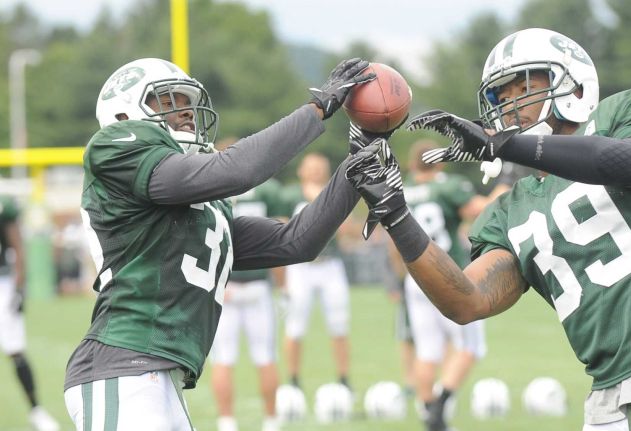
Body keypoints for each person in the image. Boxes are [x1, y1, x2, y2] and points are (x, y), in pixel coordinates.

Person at [346, 28, 631, 430]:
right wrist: (397, 215)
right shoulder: (506, 211)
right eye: (500, 95)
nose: (511, 104)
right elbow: (466, 301)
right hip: (609, 397)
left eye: (524, 87)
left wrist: (508, 144)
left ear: (576, 85)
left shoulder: (623, 113)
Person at [63, 56, 376, 430]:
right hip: (121, 369)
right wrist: (317, 109)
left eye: (186, 100)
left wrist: (360, 162)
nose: (186, 112)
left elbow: (297, 241)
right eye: (168, 101)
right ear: (123, 115)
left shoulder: (198, 205)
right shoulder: (114, 146)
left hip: (162, 379)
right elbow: (238, 170)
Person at [392, 140, 488, 431]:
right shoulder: (448, 186)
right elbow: (476, 209)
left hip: (416, 278)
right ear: (440, 162)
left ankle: (429, 413)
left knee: (427, 351)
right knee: (470, 347)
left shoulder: (402, 191)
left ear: (412, 164)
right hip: (450, 275)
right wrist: (504, 188)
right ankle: (441, 403)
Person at [210, 178, 284, 431]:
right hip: (256, 285)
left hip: (225, 287)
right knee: (265, 356)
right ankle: (271, 421)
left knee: (223, 358)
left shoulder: (212, 189)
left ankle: (226, 422)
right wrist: (283, 286)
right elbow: (278, 237)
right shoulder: (264, 190)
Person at [281, 152, 353, 392]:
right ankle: (293, 380)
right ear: (300, 170)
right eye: (310, 167)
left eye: (319, 167)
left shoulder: (336, 192)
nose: (314, 171)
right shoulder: (289, 195)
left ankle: (344, 379)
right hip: (300, 268)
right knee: (295, 325)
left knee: (339, 324)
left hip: (330, 264)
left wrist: (327, 202)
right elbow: (277, 231)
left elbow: (349, 232)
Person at [0, 194, 60, 431]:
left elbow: (16, 244)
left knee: (15, 350)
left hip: (2, 283)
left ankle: (36, 410)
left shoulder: (4, 206)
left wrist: (19, 286)